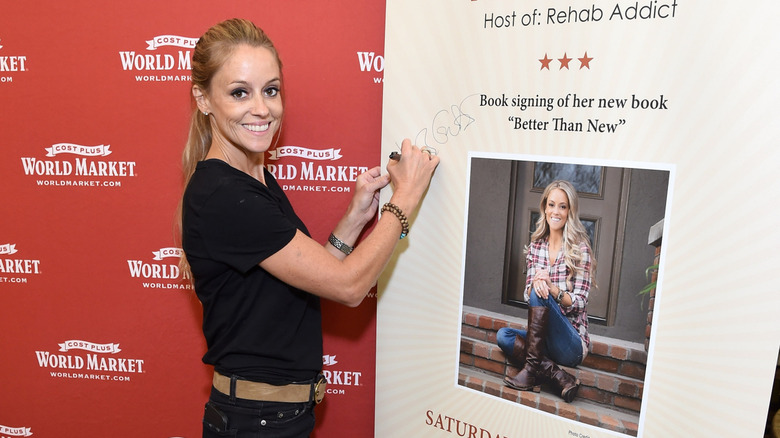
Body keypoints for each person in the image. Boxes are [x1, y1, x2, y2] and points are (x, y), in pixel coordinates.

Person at [178, 18, 439, 437]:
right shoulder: (225, 195)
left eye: (271, 90)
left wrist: (354, 220)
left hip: (275, 418)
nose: (261, 108)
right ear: (203, 99)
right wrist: (405, 197)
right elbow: (348, 287)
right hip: (255, 423)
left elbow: (305, 282)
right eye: (240, 92)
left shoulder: (254, 178)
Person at [496, 180, 595, 403]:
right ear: (545, 208)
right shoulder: (536, 247)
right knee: (504, 336)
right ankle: (560, 377)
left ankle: (530, 372)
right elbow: (528, 294)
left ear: (570, 211)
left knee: (539, 290)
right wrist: (539, 285)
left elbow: (580, 301)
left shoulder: (580, 249)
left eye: (563, 206)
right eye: (551, 205)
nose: (556, 211)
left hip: (571, 343)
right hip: (544, 343)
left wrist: (552, 289)